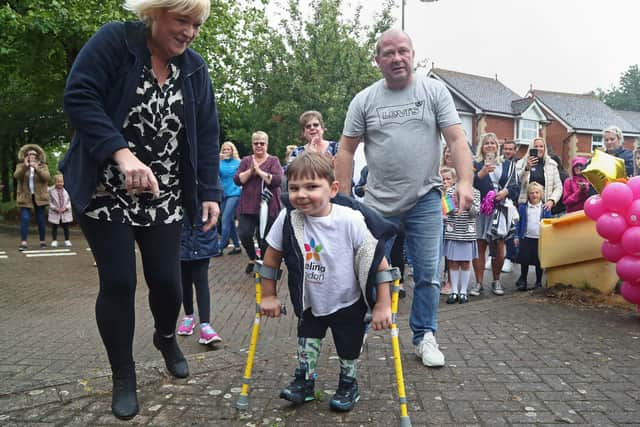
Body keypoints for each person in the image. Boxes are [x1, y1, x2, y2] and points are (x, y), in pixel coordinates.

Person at [61, 0, 221, 420]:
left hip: (163, 195)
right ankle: (124, 375)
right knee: (118, 283)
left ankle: (166, 336)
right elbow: (79, 97)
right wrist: (122, 154)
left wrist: (208, 190)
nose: (189, 32)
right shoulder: (116, 41)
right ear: (155, 14)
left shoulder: (195, 69)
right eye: (182, 20)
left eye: (197, 25)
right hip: (105, 190)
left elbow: (206, 132)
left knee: (168, 284)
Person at [335, 29, 474, 368]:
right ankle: (366, 321)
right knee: (366, 269)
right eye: (388, 53)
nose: (397, 58)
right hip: (377, 203)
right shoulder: (364, 100)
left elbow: (456, 139)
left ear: (412, 54)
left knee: (427, 272)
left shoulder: (433, 91)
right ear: (378, 60)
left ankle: (424, 335)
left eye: (403, 51)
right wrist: (340, 196)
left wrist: (466, 182)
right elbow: (345, 148)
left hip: (425, 198)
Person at [260, 152, 393, 412]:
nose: (301, 194)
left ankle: (348, 384)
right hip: (311, 301)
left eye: (311, 187)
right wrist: (268, 295)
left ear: (332, 189)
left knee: (348, 348)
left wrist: (382, 305)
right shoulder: (288, 218)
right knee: (306, 343)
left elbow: (379, 264)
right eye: (294, 188)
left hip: (348, 300)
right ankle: (305, 383)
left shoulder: (350, 219)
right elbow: (271, 258)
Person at [471, 133, 520, 297]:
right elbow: (468, 183)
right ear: (482, 147)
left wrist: (505, 192)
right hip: (480, 210)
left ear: (497, 146)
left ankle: (496, 280)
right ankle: (478, 283)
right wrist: (482, 173)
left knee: (498, 246)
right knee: (479, 246)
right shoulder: (475, 164)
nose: (490, 145)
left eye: (493, 143)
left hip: (499, 209)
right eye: (486, 143)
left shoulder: (507, 165)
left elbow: (515, 185)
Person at [234, 131, 283, 274]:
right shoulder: (246, 161)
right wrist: (250, 171)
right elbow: (238, 180)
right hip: (247, 206)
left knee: (266, 238)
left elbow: (277, 180)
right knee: (244, 233)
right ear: (252, 144)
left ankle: (264, 264)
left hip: (269, 206)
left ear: (267, 145)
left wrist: (260, 172)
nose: (259, 145)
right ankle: (253, 258)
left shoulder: (273, 160)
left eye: (262, 143)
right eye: (256, 143)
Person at [177, 205, 222, 345]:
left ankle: (205, 325)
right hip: (180, 235)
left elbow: (215, 191)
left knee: (201, 280)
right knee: (184, 280)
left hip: (201, 235)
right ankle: (189, 316)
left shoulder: (206, 184)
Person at [443, 169, 481, 304]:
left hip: (467, 232)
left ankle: (463, 291)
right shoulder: (450, 191)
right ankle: (454, 291)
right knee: (452, 261)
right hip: (453, 230)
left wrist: (469, 204)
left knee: (465, 262)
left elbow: (475, 213)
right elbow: (447, 210)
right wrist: (456, 202)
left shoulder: (475, 192)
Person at [515, 182, 552, 291]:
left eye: (537, 192)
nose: (534, 195)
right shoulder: (523, 207)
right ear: (528, 195)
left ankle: (539, 281)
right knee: (524, 260)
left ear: (541, 194)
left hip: (539, 239)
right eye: (531, 193)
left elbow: (549, 223)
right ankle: (523, 280)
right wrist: (516, 236)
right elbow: (518, 222)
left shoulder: (545, 208)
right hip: (526, 238)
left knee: (538, 261)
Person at [14, 144, 50, 251]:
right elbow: (16, 176)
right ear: (26, 156)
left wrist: (37, 168)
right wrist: (25, 166)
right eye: (29, 154)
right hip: (25, 197)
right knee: (25, 219)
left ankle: (42, 241)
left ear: (38, 156)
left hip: (40, 197)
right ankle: (23, 242)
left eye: (34, 154)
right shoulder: (20, 166)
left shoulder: (43, 166)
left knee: (40, 220)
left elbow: (47, 178)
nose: (32, 156)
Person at [515, 137, 562, 212]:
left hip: (544, 206)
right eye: (535, 147)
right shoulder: (521, 163)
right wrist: (526, 169)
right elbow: (516, 182)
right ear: (531, 148)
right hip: (525, 206)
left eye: (541, 146)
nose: (539, 149)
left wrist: (552, 200)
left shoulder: (552, 164)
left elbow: (558, 187)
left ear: (545, 148)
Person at [217, 141, 242, 255]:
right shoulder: (219, 163)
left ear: (233, 151)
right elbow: (214, 175)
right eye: (224, 149)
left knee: (225, 219)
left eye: (228, 149)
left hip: (235, 193)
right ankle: (237, 246)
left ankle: (220, 247)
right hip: (223, 194)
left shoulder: (238, 163)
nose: (226, 151)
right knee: (229, 221)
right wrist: (216, 160)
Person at [48, 174, 73, 247]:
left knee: (66, 227)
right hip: (55, 211)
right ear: (55, 182)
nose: (60, 183)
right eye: (58, 182)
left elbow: (69, 201)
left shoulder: (67, 190)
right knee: (54, 227)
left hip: (65, 212)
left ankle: (67, 240)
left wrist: (66, 208)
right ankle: (54, 240)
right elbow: (49, 201)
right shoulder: (51, 191)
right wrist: (55, 208)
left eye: (61, 182)